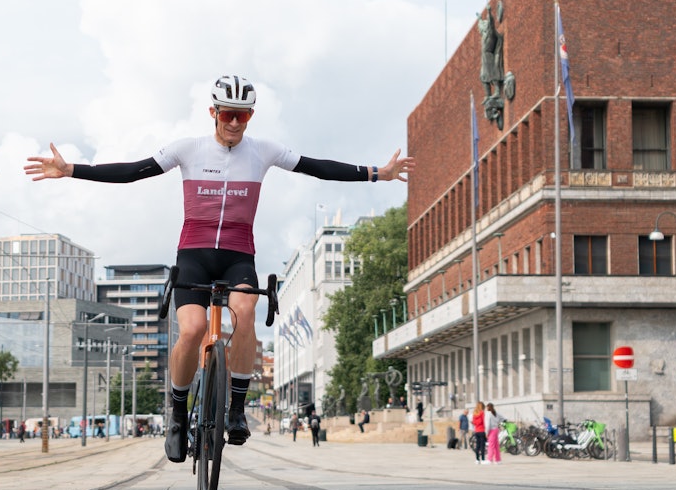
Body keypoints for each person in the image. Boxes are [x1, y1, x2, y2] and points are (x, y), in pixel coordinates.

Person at [25, 75, 415, 464]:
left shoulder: (263, 151)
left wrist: (376, 172)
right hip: (194, 253)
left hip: (237, 254)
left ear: (250, 118)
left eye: (243, 117)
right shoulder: (188, 149)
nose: (234, 123)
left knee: (245, 312)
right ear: (212, 112)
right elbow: (133, 171)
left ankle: (236, 410)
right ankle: (178, 417)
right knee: (192, 329)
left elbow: (316, 167)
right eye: (228, 114)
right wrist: (71, 169)